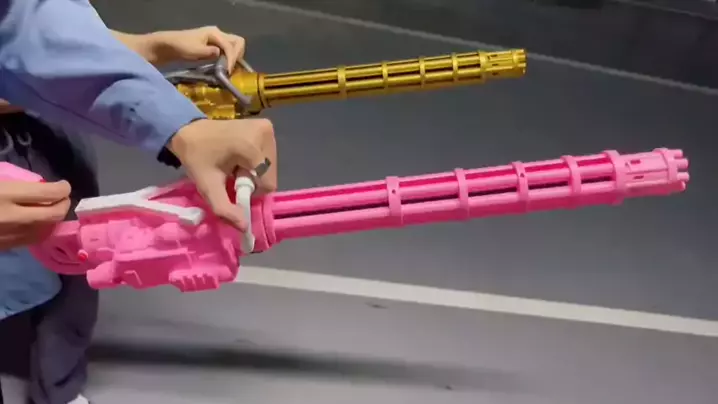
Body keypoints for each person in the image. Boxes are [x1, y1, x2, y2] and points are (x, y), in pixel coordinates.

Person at [0, 1, 278, 403]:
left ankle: (58, 389)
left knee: (76, 275)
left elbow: (29, 25)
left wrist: (154, 63)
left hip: (42, 147)